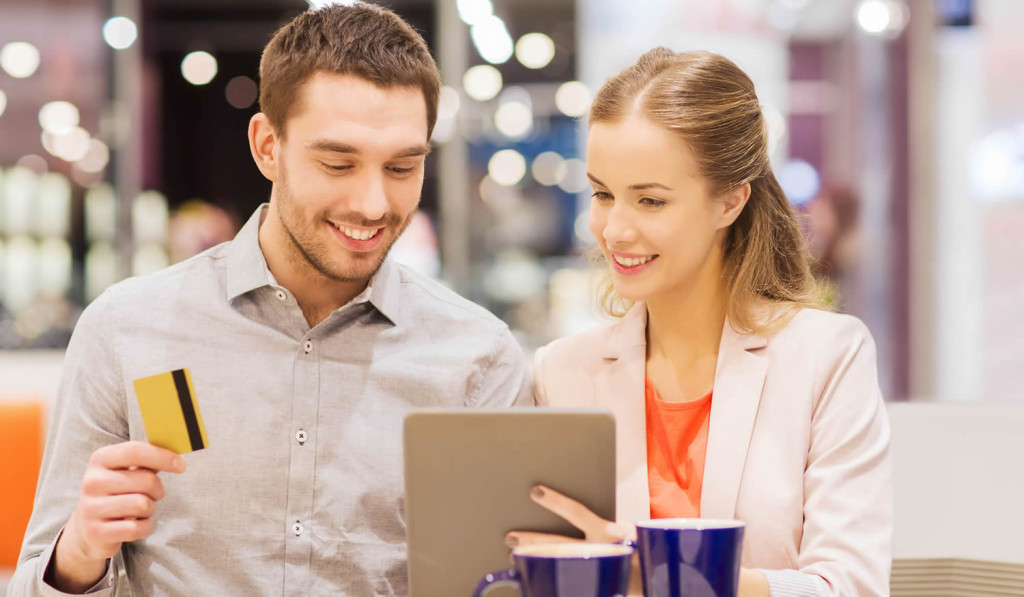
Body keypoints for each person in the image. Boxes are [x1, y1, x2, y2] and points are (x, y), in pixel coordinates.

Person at [10, 5, 530, 596]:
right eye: (338, 163)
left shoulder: (478, 359)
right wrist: (79, 552)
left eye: (402, 166)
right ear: (266, 147)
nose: (372, 203)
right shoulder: (129, 329)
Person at [508, 49, 892, 596]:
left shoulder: (826, 356)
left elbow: (850, 587)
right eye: (602, 194)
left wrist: (657, 575)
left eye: (650, 201)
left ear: (729, 202)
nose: (614, 230)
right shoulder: (561, 373)